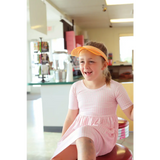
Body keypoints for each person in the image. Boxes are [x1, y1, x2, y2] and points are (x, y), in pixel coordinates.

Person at [51, 41, 136, 160]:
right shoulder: (76, 87)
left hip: (104, 136)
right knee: (59, 156)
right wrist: (63, 140)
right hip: (79, 132)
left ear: (104, 65)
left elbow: (131, 113)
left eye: (91, 61)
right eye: (82, 61)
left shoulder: (115, 87)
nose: (85, 66)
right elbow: (70, 117)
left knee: (84, 132)